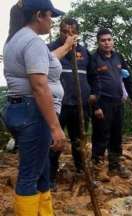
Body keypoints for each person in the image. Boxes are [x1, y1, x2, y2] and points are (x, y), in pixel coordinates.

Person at [2, 0, 76, 215]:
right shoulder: (32, 42)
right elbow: (39, 86)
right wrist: (55, 127)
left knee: (42, 170)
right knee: (30, 175)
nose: (52, 21)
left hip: (19, 110)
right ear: (38, 15)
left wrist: (67, 46)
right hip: (33, 113)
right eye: (50, 16)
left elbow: (49, 59)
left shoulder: (16, 39)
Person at [88, 28, 132, 179]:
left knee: (116, 135)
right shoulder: (94, 59)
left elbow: (128, 79)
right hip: (102, 104)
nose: (107, 43)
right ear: (98, 42)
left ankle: (115, 165)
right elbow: (90, 84)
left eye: (109, 39)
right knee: (100, 135)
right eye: (103, 40)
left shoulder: (118, 57)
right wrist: (96, 106)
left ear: (113, 41)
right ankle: (97, 167)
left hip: (118, 103)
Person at [47, 18, 91, 188]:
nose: (68, 35)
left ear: (77, 33)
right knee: (55, 142)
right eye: (65, 31)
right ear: (59, 31)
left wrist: (93, 95)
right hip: (57, 106)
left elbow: (92, 76)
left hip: (79, 105)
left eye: (72, 32)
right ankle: (49, 178)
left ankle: (82, 173)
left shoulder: (84, 52)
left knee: (79, 141)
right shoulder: (50, 49)